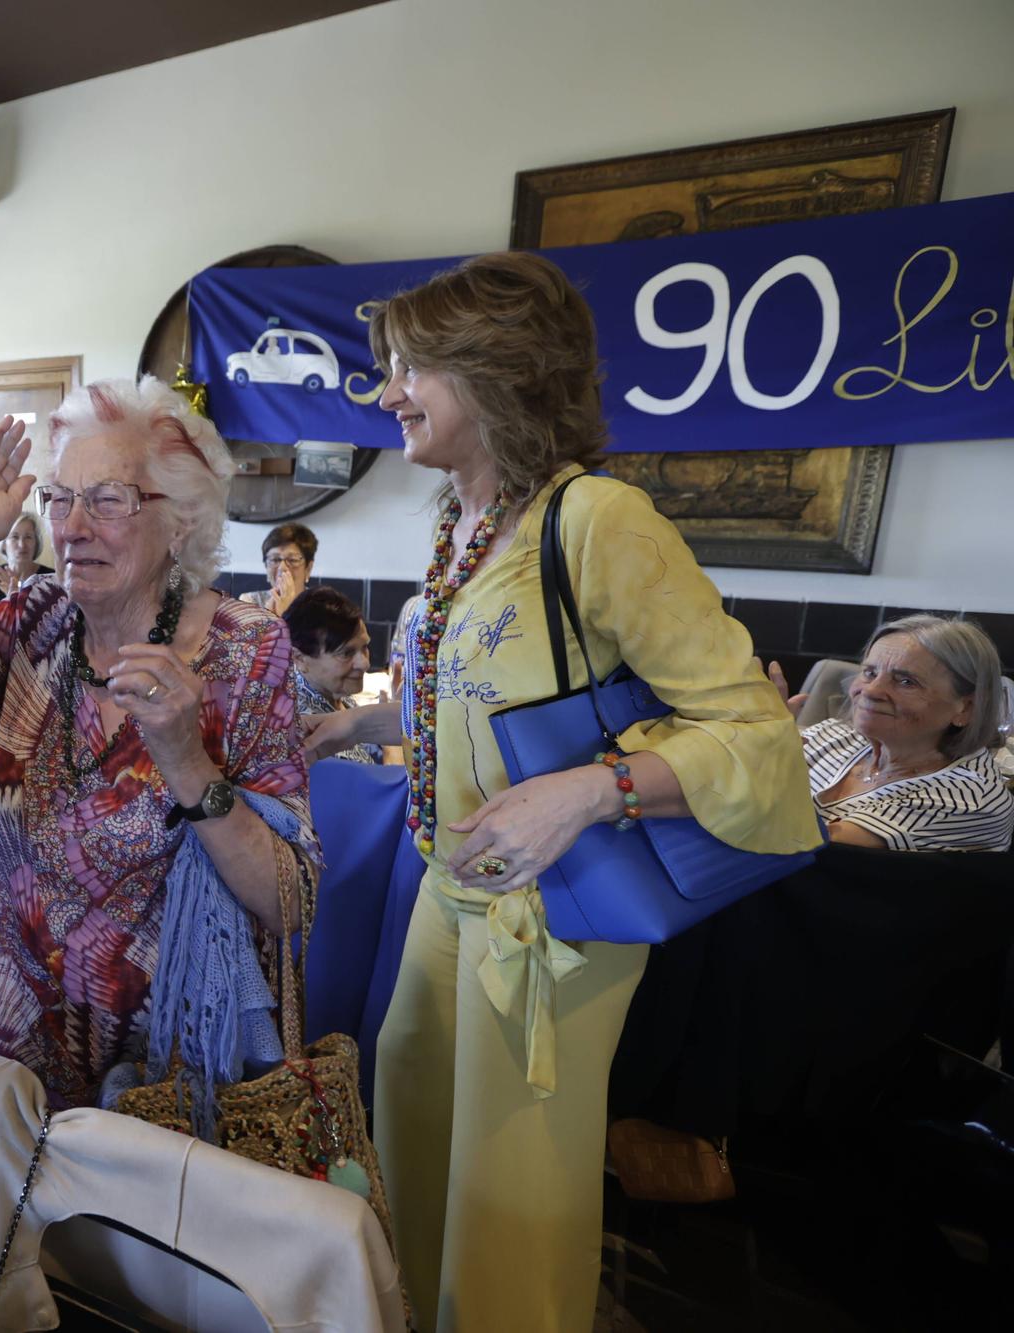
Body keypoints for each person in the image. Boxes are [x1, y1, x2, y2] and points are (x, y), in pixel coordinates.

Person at [365, 252, 819, 1332]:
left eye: (408, 369)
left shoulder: (599, 520)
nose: (384, 394)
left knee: (508, 1186)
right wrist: (352, 722)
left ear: (496, 375)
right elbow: (480, 694)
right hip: (448, 884)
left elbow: (757, 738)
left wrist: (589, 790)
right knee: (413, 1130)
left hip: (552, 910)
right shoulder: (458, 522)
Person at [0, 376, 318, 1110]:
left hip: (173, 1064)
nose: (72, 526)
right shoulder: (37, 620)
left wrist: (185, 758)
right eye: (60, 498)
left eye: (108, 499)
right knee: (40, 1221)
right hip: (31, 1037)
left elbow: (290, 900)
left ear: (179, 522)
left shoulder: (245, 651)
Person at [769, 615, 1011, 851]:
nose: (871, 691)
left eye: (906, 682)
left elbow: (802, 846)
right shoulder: (834, 736)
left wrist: (759, 753)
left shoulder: (967, 800)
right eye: (870, 673)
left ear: (966, 709)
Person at [282, 585, 384, 765]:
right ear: (299, 659)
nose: (365, 663)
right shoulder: (308, 732)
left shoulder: (335, 696)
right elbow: (376, 790)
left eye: (365, 647)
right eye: (346, 653)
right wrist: (396, 749)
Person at [0, 510, 53, 613]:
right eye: (14, 537)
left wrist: (17, 596)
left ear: (36, 543)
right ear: (3, 544)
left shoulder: (50, 578)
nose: (22, 545)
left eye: (28, 537)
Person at [239, 521, 317, 615]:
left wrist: (284, 613)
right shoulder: (250, 602)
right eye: (275, 560)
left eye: (292, 560)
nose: (282, 568)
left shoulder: (321, 606)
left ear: (308, 568)